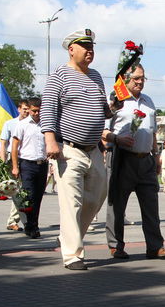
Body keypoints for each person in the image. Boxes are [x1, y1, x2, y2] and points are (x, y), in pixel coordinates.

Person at [41, 29, 113, 270]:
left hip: (93, 150)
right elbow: (48, 110)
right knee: (72, 203)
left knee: (96, 197)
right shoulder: (59, 75)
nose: (89, 50)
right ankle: (73, 254)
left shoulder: (96, 76)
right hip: (68, 149)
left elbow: (104, 111)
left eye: (91, 46)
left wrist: (114, 105)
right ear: (71, 49)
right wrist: (50, 141)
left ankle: (68, 237)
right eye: (84, 45)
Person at [106, 64, 165, 260]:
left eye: (143, 78)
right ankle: (116, 245)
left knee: (151, 206)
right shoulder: (115, 100)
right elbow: (101, 131)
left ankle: (155, 246)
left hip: (146, 160)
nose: (140, 81)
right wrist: (117, 139)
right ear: (125, 79)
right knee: (117, 205)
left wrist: (156, 154)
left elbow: (152, 131)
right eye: (136, 78)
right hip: (122, 157)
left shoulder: (149, 101)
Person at [10, 97, 47, 238]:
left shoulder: (46, 124)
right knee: (29, 196)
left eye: (39, 111)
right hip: (27, 164)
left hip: (42, 164)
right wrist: (15, 166)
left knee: (38, 197)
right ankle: (30, 226)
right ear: (29, 109)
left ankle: (34, 224)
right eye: (34, 111)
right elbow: (14, 146)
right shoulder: (22, 125)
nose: (37, 113)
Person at [0, 100, 29, 231]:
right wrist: (2, 161)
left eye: (28, 109)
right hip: (13, 159)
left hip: (28, 159)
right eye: (24, 109)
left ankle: (13, 220)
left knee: (19, 191)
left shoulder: (32, 124)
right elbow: (3, 142)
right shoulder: (10, 123)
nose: (26, 111)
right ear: (18, 109)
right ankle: (26, 221)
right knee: (17, 190)